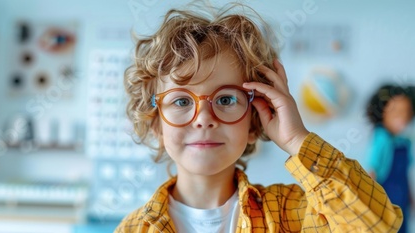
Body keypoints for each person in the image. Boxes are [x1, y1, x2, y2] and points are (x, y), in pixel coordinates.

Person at [116, 3, 403, 232]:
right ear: (156, 123)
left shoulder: (291, 213)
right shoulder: (132, 229)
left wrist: (296, 140)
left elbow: (376, 224)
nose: (204, 118)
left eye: (226, 99)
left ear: (254, 122)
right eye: (181, 100)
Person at [366, 84, 414, 233]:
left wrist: (411, 200)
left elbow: (405, 176)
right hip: (384, 205)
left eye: (407, 112)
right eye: (396, 112)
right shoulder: (381, 139)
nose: (403, 117)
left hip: (402, 205)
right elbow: (371, 173)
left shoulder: (405, 142)